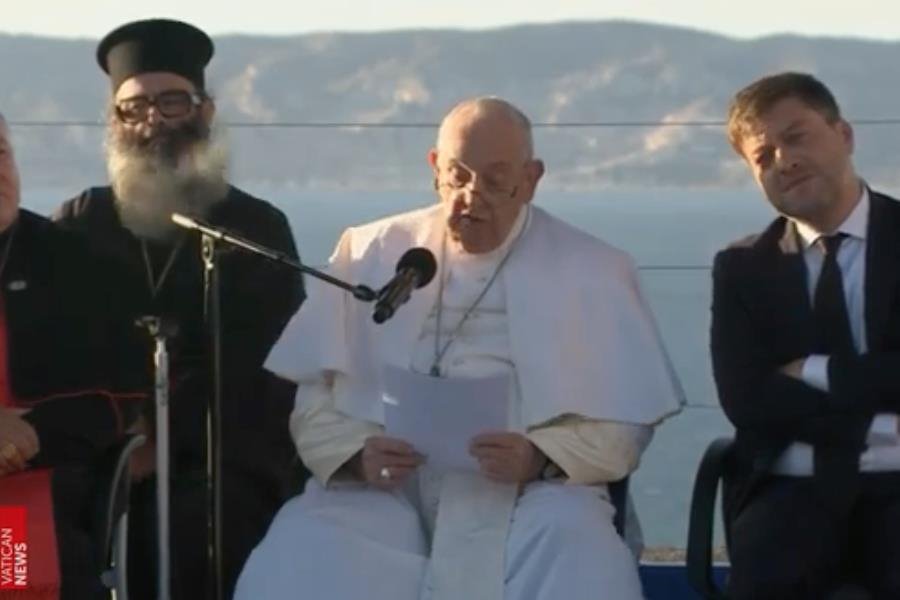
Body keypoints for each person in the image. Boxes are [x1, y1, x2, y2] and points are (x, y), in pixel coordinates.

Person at [236, 97, 683, 599]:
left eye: (496, 180)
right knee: (307, 546)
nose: (471, 197)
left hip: (530, 494)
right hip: (388, 489)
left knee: (574, 548)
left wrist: (540, 457)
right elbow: (316, 399)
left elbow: (625, 423)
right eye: (458, 176)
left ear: (531, 178)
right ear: (434, 168)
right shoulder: (371, 251)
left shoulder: (594, 269)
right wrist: (356, 456)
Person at [52, 18, 306, 599]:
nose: (153, 122)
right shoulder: (79, 225)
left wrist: (166, 439)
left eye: (172, 102)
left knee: (206, 518)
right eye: (134, 108)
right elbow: (59, 348)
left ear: (204, 111)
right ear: (114, 123)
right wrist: (123, 435)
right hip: (101, 449)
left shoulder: (255, 228)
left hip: (217, 458)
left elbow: (264, 367)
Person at [711, 71, 900, 599]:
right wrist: (872, 422)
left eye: (795, 137)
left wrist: (814, 371)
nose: (783, 161)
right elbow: (747, 399)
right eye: (762, 156)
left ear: (843, 135)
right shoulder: (743, 267)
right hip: (793, 489)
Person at [0, 113, 146, 599]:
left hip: (23, 489)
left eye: (1, 153)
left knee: (14, 570)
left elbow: (122, 394)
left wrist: (27, 435)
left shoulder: (75, 263)